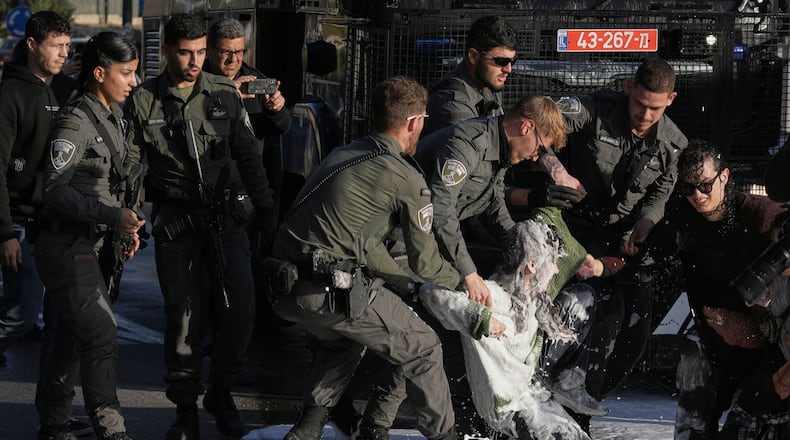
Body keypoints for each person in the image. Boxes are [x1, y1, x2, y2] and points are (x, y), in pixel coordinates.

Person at [267, 76, 460, 440]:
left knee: (345, 338)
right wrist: (465, 285)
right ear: (415, 122)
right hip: (329, 290)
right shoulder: (405, 177)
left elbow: (365, 244)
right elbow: (426, 262)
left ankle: (308, 428)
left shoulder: (345, 154)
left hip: (283, 286)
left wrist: (404, 286)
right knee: (423, 347)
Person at [124, 14, 274, 440]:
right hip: (177, 222)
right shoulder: (143, 102)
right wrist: (128, 217)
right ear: (167, 50)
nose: (195, 61)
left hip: (225, 218)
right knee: (184, 319)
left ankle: (222, 390)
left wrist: (265, 214)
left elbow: (248, 157)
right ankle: (185, 409)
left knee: (242, 310)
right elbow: (131, 169)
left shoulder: (224, 93)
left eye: (201, 51)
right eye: (186, 52)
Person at [582, 141, 790, 438]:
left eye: (705, 185)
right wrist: (600, 267)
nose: (698, 196)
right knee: (694, 393)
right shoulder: (683, 221)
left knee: (750, 425)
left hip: (769, 338)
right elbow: (644, 264)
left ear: (725, 176)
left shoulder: (762, 216)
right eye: (688, 189)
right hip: (714, 337)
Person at [552, 58, 689, 418]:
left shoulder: (673, 144)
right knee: (605, 315)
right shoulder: (595, 110)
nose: (645, 114)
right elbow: (543, 124)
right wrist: (557, 170)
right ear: (629, 88)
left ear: (671, 99)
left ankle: (584, 401)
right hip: (574, 228)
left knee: (636, 334)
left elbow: (661, 192)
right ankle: (566, 406)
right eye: (640, 103)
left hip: (621, 239)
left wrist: (647, 221)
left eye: (655, 107)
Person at [33, 31, 142, 440]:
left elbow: (121, 180)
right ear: (99, 73)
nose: (133, 82)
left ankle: (55, 422)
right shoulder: (74, 121)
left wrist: (127, 222)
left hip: (94, 245)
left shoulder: (114, 117)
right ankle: (113, 431)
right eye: (126, 73)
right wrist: (113, 216)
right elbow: (55, 191)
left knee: (68, 336)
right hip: (66, 244)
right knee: (99, 331)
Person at [420, 218, 593, 440]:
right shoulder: (496, 296)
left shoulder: (533, 298)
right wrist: (481, 319)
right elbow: (432, 293)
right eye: (552, 261)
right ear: (532, 265)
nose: (557, 268)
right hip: (506, 409)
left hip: (530, 395)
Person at [0, 10, 75, 366]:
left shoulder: (60, 89)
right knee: (20, 317)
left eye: (66, 45)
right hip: (20, 225)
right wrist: (5, 234)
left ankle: (52, 416)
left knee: (57, 324)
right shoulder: (10, 95)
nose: (64, 53)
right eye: (56, 45)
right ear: (32, 45)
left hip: (55, 224)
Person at [204, 15, 290, 247]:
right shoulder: (196, 84)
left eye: (240, 52)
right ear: (209, 50)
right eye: (226, 52)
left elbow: (281, 128)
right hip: (209, 192)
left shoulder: (255, 81)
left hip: (250, 190)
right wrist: (228, 98)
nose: (234, 60)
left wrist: (277, 109)